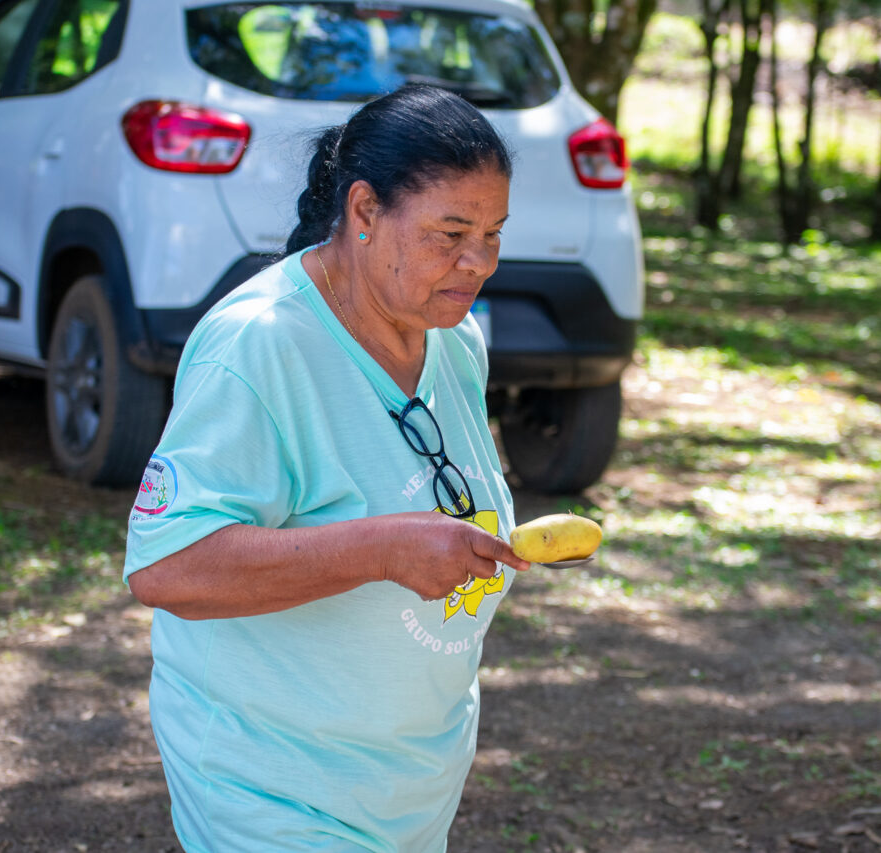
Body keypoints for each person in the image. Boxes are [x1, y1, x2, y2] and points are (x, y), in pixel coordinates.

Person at [124, 84, 531, 852]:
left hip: (406, 794)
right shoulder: (259, 344)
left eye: (493, 234)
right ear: (366, 211)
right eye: (450, 233)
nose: (476, 262)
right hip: (274, 790)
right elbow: (167, 567)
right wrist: (383, 550)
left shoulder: (455, 340)